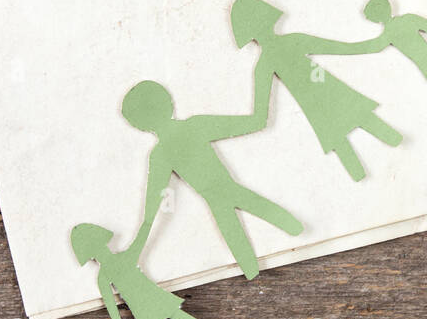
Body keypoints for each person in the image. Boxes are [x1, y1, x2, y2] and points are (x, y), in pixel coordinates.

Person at [122, 80, 303, 280]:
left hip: (217, 197)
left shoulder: (160, 154)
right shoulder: (194, 126)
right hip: (225, 192)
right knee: (265, 220)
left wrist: (139, 241)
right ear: (168, 103)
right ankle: (293, 234)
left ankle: (258, 268)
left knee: (240, 241)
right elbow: (253, 122)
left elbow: (152, 206)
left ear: (139, 124)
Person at [231, 0, 400, 182]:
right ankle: (388, 149)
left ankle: (370, 167)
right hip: (322, 90)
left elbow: (259, 116)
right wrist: (374, 44)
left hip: (316, 99)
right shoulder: (287, 45)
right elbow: (341, 48)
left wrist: (242, 125)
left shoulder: (264, 64)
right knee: (357, 117)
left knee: (347, 128)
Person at [70, 221, 201, 319]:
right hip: (147, 299)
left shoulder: (104, 275)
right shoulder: (121, 260)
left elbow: (110, 303)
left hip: (142, 303)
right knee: (170, 317)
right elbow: (140, 240)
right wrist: (148, 218)